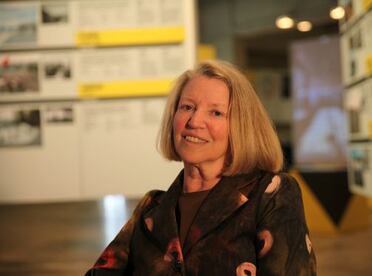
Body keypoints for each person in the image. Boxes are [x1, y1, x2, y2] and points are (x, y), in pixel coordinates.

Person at [86, 60, 317, 275]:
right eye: (187, 107)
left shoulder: (271, 194)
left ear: (241, 126)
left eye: (215, 112)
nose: (194, 122)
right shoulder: (151, 210)